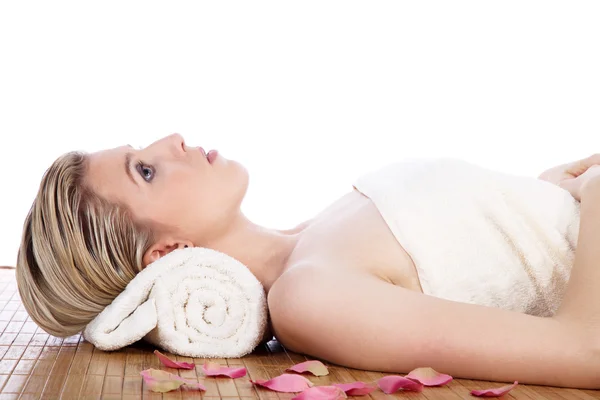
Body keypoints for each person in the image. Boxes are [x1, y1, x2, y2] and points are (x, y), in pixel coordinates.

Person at [15, 133, 600, 389]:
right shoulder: (310, 298)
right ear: (168, 254)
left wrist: (549, 193)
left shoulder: (318, 231)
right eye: (145, 170)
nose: (173, 139)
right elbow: (587, 349)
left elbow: (507, 257)